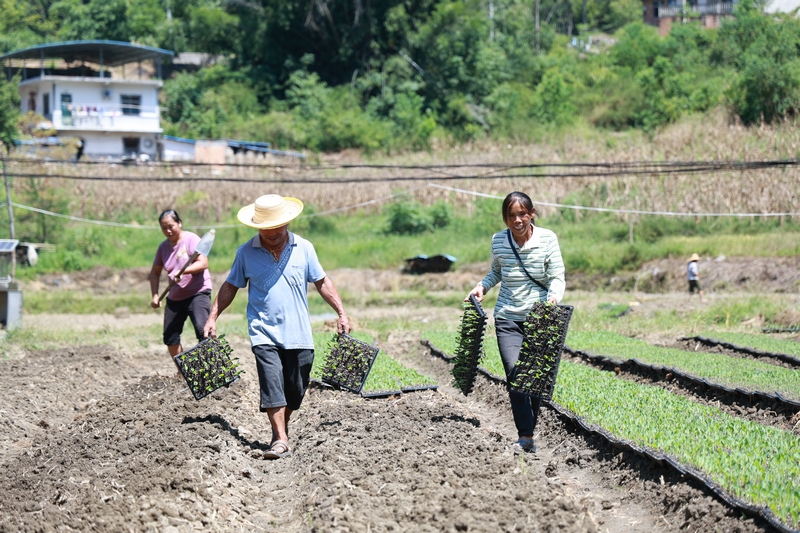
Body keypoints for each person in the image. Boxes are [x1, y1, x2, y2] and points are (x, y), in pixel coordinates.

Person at [203, 194, 350, 460]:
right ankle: (280, 438)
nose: (272, 233)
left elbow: (322, 282)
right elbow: (230, 286)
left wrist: (341, 312)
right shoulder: (246, 252)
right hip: (264, 331)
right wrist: (213, 316)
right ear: (257, 226)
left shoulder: (304, 247)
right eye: (266, 228)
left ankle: (283, 425)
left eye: (277, 227)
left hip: (299, 334)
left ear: (287, 222)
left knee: (295, 390)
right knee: (272, 384)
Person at [467, 191, 565, 454]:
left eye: (522, 214)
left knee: (533, 377)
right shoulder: (499, 241)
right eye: (511, 215)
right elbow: (497, 271)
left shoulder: (547, 239)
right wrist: (482, 287)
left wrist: (553, 299)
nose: (517, 220)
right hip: (507, 316)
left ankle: (528, 428)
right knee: (515, 372)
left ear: (531, 213)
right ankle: (526, 435)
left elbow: (557, 276)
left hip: (539, 318)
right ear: (506, 218)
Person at [149, 210, 212, 365]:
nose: (168, 231)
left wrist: (183, 271)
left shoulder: (191, 239)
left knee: (203, 332)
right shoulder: (163, 248)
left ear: (179, 223)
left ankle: (212, 369)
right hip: (175, 297)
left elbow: (203, 263)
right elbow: (154, 273)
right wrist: (155, 295)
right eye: (164, 228)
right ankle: (183, 372)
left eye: (171, 226)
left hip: (197, 292)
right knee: (170, 336)